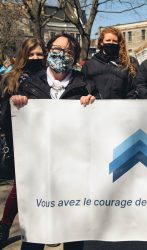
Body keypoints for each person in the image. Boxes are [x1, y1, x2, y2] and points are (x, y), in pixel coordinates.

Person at [10, 33, 97, 250]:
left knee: (74, 227)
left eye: (68, 51)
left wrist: (94, 102)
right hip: (38, 167)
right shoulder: (30, 84)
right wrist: (16, 104)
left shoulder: (85, 84)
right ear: (49, 51)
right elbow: (10, 124)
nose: (62, 54)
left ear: (75, 57)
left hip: (73, 167)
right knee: (36, 229)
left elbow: (100, 124)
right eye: (57, 48)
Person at [0, 38, 46, 246]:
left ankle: (44, 226)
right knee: (22, 186)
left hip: (46, 139)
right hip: (22, 140)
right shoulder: (11, 79)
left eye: (39, 54)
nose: (36, 58)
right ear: (23, 55)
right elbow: (4, 112)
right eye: (32, 54)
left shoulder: (50, 77)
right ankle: (4, 226)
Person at [82, 27, 138, 99]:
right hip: (96, 107)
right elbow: (84, 87)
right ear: (101, 42)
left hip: (123, 107)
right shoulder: (89, 65)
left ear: (119, 43)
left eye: (114, 41)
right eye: (108, 40)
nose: (111, 43)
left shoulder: (129, 62)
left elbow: (134, 88)